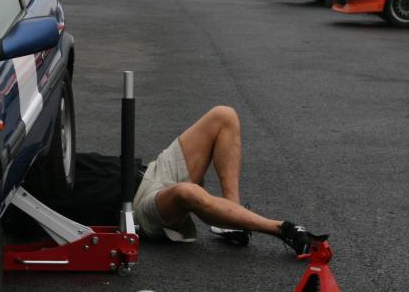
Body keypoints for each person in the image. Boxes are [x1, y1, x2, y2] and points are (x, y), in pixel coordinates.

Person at [133, 105, 316, 255]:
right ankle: (282, 229)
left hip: (148, 173)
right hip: (135, 206)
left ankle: (232, 221)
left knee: (224, 115)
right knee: (187, 192)